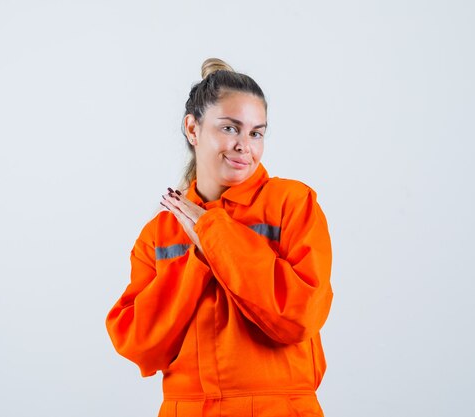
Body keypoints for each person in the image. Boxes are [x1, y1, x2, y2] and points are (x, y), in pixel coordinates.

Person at [106, 58, 333, 417]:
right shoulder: (159, 233)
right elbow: (139, 346)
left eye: (256, 133)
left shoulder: (292, 203)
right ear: (192, 129)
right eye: (230, 128)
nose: (245, 145)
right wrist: (197, 258)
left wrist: (212, 232)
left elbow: (299, 317)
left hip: (280, 408)